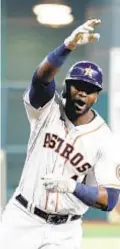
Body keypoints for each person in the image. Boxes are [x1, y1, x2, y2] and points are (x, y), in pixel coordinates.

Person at [0, 19, 120, 249]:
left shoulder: (106, 139)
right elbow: (40, 79)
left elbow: (110, 199)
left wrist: (72, 186)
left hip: (65, 231)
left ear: (97, 96)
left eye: (90, 90)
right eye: (78, 86)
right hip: (22, 218)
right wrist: (67, 46)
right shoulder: (47, 109)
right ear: (66, 86)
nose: (83, 94)